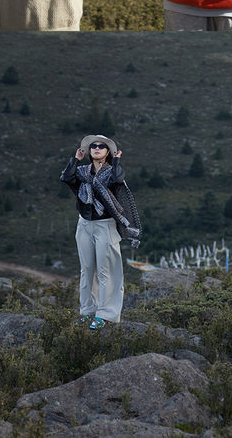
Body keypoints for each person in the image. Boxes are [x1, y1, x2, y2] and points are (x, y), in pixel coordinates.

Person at [60, 134, 138, 329]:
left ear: (107, 152)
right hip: (85, 224)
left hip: (106, 225)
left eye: (101, 146)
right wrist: (75, 159)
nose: (96, 148)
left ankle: (106, 314)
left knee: (107, 270)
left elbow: (118, 179)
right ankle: (87, 311)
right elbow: (66, 178)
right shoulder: (82, 172)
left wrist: (117, 160)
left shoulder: (111, 172)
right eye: (93, 146)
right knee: (87, 269)